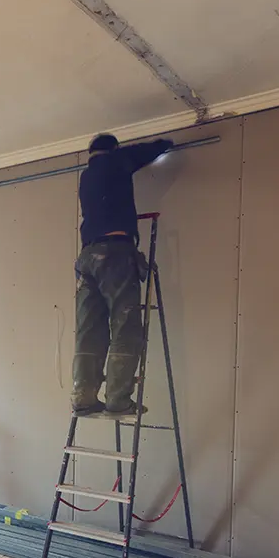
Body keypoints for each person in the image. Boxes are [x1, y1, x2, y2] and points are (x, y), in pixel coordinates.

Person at [72, 132, 173, 417]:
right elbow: (146, 151)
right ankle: (118, 399)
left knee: (90, 330)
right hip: (115, 254)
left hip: (87, 258)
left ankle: (83, 397)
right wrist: (166, 144)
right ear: (113, 151)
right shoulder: (115, 163)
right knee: (125, 325)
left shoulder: (86, 176)